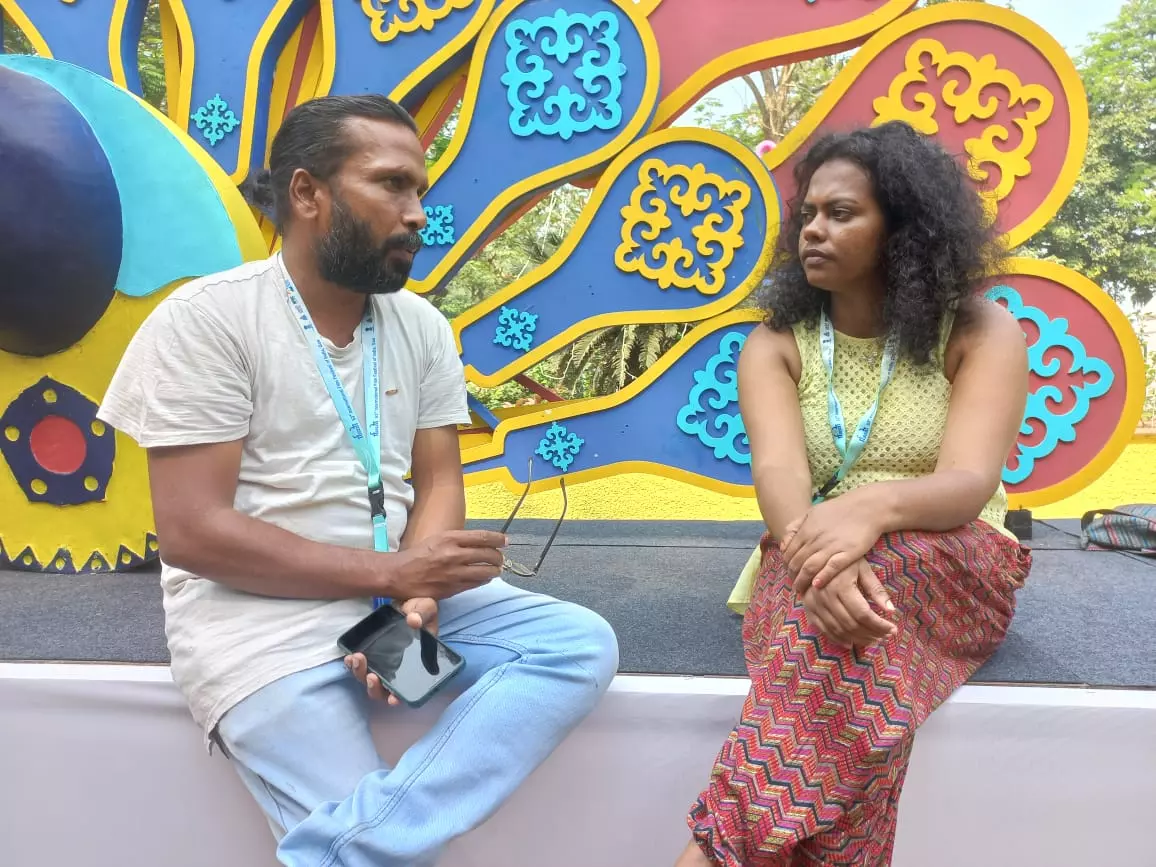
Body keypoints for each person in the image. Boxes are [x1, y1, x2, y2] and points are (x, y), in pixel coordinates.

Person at [97, 94, 618, 866]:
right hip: (259, 627)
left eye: (420, 190)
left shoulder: (420, 325)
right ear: (307, 193)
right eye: (392, 184)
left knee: (575, 644)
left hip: (385, 605)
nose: (417, 213)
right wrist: (393, 572)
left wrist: (417, 594)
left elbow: (439, 481)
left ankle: (339, 848)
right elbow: (193, 531)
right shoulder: (207, 320)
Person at [675, 121, 1032, 866]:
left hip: (951, 556)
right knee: (851, 661)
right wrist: (824, 561)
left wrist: (865, 512)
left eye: (841, 213)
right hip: (807, 553)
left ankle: (712, 854)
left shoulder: (979, 330)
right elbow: (779, 477)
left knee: (871, 595)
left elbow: (968, 484)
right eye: (808, 213)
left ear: (902, 230)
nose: (813, 229)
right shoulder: (776, 343)